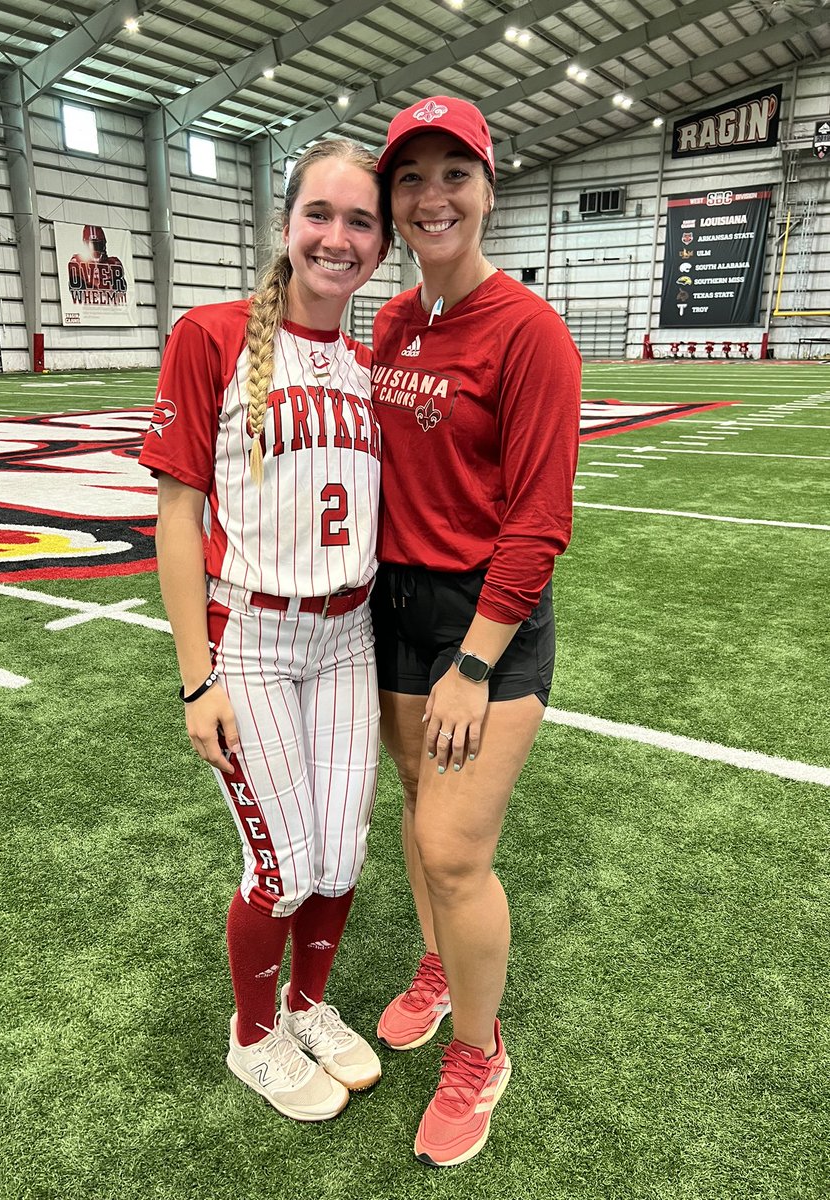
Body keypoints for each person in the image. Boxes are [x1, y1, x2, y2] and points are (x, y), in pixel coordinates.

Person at [139, 139, 392, 1123]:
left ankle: (308, 1005)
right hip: (251, 636)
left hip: (348, 637)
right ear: (286, 224)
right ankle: (252, 1037)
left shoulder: (366, 364)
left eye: (359, 222)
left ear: (381, 245)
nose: (337, 238)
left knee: (340, 856)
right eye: (319, 215)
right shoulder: (210, 336)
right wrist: (197, 680)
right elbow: (175, 515)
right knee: (280, 865)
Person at [369, 96, 581, 1167]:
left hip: (482, 624)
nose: (432, 196)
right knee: (415, 810)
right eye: (412, 179)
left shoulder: (531, 332)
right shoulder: (395, 324)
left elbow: (540, 522)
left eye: (454, 173)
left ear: (490, 189)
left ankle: (479, 1053)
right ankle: (438, 966)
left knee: (456, 849)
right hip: (394, 609)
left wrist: (470, 665)